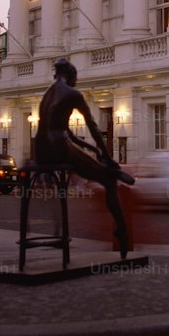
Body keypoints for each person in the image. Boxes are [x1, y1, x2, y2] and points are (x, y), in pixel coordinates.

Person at [34, 58, 135, 258]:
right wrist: (108, 156)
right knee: (109, 180)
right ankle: (121, 230)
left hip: (42, 150)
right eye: (76, 78)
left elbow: (69, 133)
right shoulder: (73, 94)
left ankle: (109, 169)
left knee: (99, 167)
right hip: (59, 148)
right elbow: (93, 127)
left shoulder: (48, 94)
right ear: (72, 75)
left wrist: (96, 152)